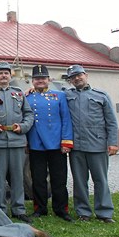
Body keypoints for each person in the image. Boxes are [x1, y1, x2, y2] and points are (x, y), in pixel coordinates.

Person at [65, 65, 119, 223]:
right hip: (77, 147)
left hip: (97, 144)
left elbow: (111, 121)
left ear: (85, 75)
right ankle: (83, 212)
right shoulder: (67, 95)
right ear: (70, 80)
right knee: (80, 181)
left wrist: (113, 142)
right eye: (73, 77)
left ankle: (104, 212)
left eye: (79, 75)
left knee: (101, 180)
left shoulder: (101, 95)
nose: (77, 78)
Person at [0, 61, 34, 224]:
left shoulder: (18, 94)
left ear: (10, 75)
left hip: (16, 139)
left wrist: (24, 126)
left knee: (18, 177)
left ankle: (19, 209)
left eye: (6, 73)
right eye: (0, 73)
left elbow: (29, 115)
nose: (3, 76)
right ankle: (0, 209)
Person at [26, 65, 74, 222]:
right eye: (37, 78)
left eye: (43, 78)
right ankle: (40, 208)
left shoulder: (59, 96)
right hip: (35, 143)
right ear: (32, 81)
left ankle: (61, 209)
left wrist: (66, 141)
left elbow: (66, 119)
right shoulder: (27, 97)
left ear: (49, 80)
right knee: (38, 179)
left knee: (59, 179)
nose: (40, 81)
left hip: (56, 143)